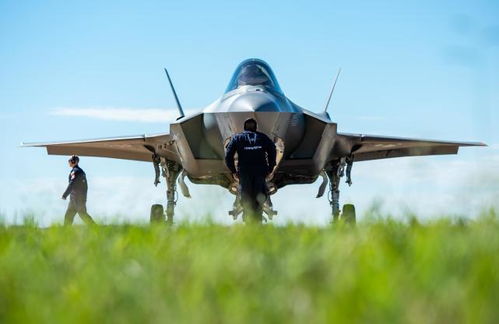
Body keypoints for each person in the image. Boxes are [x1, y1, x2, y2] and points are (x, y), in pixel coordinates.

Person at [225, 118, 277, 222]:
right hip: (260, 172)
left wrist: (233, 171)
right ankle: (257, 220)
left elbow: (228, 155)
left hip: (244, 172)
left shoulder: (237, 138)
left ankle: (248, 220)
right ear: (256, 127)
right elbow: (272, 151)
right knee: (259, 196)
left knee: (246, 196)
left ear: (244, 128)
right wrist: (270, 168)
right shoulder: (263, 138)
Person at [62, 155, 96, 226]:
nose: (69, 162)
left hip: (76, 199)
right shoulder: (80, 171)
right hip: (77, 198)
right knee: (72, 216)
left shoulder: (75, 171)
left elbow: (72, 183)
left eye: (70, 160)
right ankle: (96, 229)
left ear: (74, 161)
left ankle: (96, 229)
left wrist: (65, 195)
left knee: (79, 215)